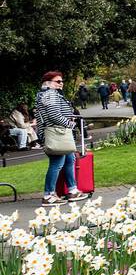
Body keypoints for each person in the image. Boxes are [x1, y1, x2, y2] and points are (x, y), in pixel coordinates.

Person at [35, 71, 88, 206]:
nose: (61, 83)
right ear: (48, 83)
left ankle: (72, 190)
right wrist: (70, 124)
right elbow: (53, 115)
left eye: (62, 81)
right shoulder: (49, 94)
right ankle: (48, 195)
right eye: (57, 81)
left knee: (70, 159)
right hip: (56, 133)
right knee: (57, 163)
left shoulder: (52, 94)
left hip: (60, 132)